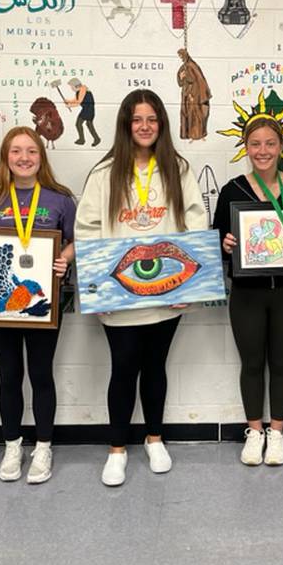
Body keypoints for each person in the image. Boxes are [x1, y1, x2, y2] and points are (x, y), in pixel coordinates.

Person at [75, 89, 206, 487]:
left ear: (161, 124)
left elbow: (196, 222)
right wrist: (97, 288)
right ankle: (117, 449)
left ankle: (154, 438)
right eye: (137, 120)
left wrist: (190, 282)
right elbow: (86, 231)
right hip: (120, 294)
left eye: (152, 119)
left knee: (155, 367)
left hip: (168, 290)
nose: (145, 126)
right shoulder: (104, 173)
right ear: (126, 125)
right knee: (123, 368)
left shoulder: (178, 169)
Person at [0, 127, 76, 484]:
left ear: (41, 157)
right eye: (16, 151)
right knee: (9, 375)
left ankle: (43, 445)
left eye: (31, 151)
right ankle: (12, 444)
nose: (24, 158)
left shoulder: (60, 198)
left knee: (41, 374)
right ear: (5, 157)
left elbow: (76, 241)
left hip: (44, 303)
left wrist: (64, 258)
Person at [212, 116, 283, 465]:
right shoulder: (232, 190)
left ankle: (277, 433)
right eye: (255, 144)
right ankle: (254, 431)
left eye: (270, 143)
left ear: (281, 148)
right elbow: (216, 239)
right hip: (246, 294)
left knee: (282, 363)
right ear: (246, 148)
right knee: (252, 363)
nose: (263, 151)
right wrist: (226, 243)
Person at [176, 48, 212, 141]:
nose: (180, 58)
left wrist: (192, 94)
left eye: (181, 55)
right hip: (187, 94)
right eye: (179, 56)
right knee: (187, 114)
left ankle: (197, 135)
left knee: (196, 115)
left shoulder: (191, 66)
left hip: (193, 95)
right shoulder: (185, 66)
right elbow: (180, 82)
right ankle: (188, 134)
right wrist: (181, 77)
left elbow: (195, 80)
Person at [66, 78, 101, 147]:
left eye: (71, 87)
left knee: (80, 124)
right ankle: (95, 139)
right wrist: (68, 101)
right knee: (88, 124)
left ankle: (83, 139)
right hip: (87, 109)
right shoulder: (80, 91)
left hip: (88, 110)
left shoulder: (82, 90)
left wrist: (70, 105)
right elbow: (76, 99)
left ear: (76, 86)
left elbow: (79, 102)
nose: (71, 89)